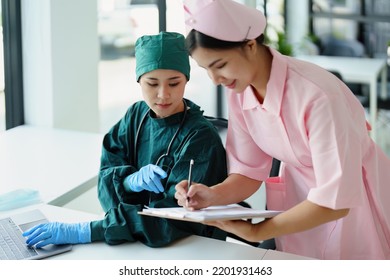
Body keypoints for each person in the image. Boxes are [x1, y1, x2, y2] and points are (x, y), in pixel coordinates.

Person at [175, 0, 390, 259]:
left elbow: (337, 201)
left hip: (353, 204)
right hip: (300, 202)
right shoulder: (241, 93)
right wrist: (211, 195)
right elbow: (248, 172)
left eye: (220, 65)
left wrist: (258, 232)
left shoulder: (318, 96)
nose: (216, 79)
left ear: (250, 45)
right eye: (206, 69)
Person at [22, 31, 228, 248]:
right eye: (152, 83)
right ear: (139, 80)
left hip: (190, 247)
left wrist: (86, 231)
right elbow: (106, 181)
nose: (163, 94)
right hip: (134, 241)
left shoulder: (200, 137)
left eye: (174, 83)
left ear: (186, 79)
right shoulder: (135, 117)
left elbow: (174, 219)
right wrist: (129, 182)